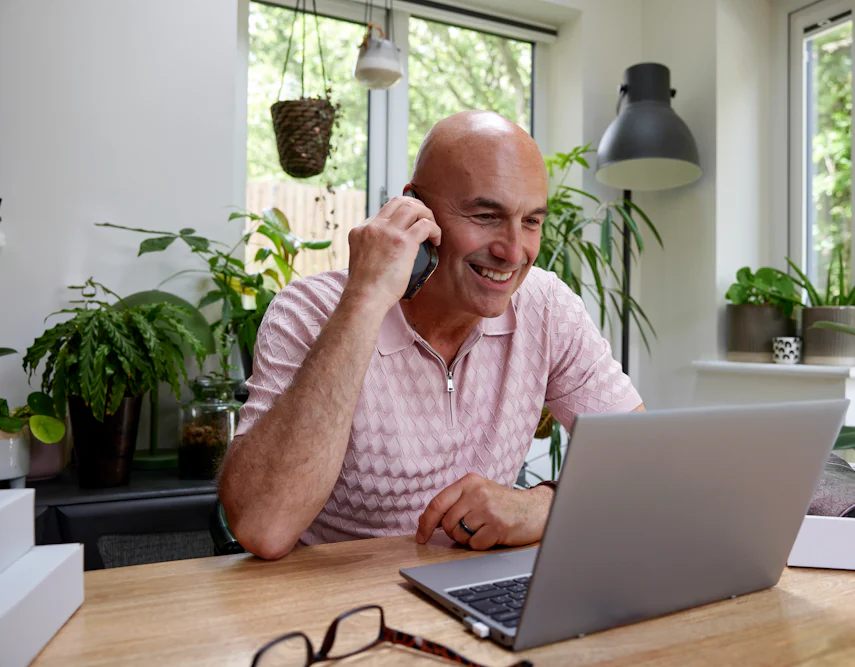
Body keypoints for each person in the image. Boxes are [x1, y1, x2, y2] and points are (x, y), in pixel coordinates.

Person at [218, 110, 644, 560]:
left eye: (532, 221)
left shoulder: (547, 307)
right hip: (341, 608)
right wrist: (365, 300)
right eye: (486, 215)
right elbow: (262, 527)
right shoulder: (311, 310)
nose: (514, 251)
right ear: (414, 210)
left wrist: (542, 504)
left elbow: (643, 462)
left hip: (476, 594)